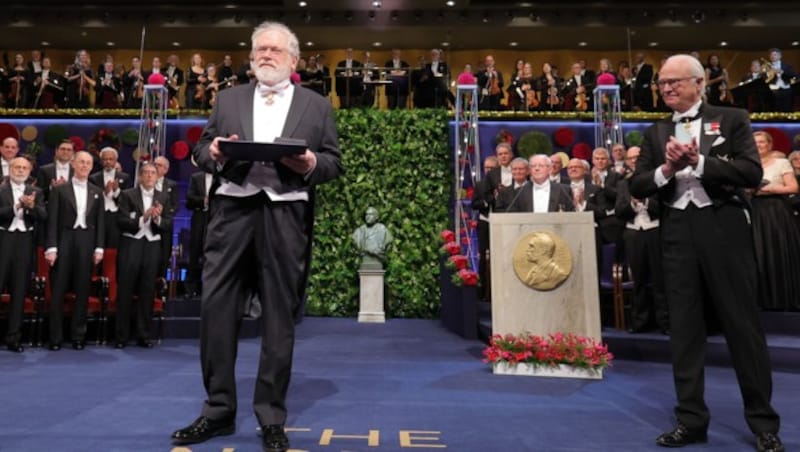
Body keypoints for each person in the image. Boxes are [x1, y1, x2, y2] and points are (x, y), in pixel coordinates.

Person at [172, 21, 343, 452]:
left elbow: (332, 164)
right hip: (230, 212)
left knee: (279, 318)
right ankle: (217, 411)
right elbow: (202, 149)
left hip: (285, 215)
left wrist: (308, 165)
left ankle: (271, 417)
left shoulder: (317, 105)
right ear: (251, 58)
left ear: (293, 59)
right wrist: (210, 152)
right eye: (259, 50)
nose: (266, 56)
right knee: (216, 310)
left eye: (274, 50)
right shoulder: (227, 98)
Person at [629, 54, 783, 452]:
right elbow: (639, 183)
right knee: (683, 332)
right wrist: (665, 169)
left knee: (742, 328)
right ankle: (691, 420)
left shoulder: (732, 119)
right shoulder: (656, 130)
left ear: (700, 83)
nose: (666, 89)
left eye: (674, 82)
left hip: (725, 231)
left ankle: (763, 424)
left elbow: (751, 173)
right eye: (662, 83)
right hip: (676, 235)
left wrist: (700, 162)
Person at [45, 151, 104, 351]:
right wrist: (51, 247)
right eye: (81, 162)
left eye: (88, 163)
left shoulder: (97, 191)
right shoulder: (60, 190)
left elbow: (100, 222)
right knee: (59, 289)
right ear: (73, 164)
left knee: (82, 289)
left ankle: (78, 336)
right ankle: (55, 338)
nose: (85, 165)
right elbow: (52, 220)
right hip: (64, 239)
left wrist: (99, 247)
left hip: (87, 240)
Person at [114, 162, 171, 349]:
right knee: (126, 291)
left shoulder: (163, 196)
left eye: (152, 173)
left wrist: (157, 219)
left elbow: (168, 225)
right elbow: (120, 221)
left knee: (147, 292)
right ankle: (121, 336)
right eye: (145, 173)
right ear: (140, 176)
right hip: (131, 244)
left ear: (157, 177)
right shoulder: (127, 194)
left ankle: (144, 335)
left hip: (152, 246)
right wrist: (142, 218)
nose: (148, 176)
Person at [614, 147, 668, 334]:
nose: (634, 161)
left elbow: (665, 208)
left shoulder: (658, 179)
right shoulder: (622, 184)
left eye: (637, 157)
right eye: (630, 159)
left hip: (655, 231)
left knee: (661, 280)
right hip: (633, 233)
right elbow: (619, 212)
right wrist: (632, 204)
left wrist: (645, 202)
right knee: (639, 281)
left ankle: (665, 322)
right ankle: (640, 322)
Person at [0, 157, 46, 352]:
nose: (20, 170)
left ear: (29, 171)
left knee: (19, 291)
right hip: (3, 239)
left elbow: (43, 216)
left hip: (25, 242)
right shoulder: (1, 189)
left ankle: (14, 337)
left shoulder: (36, 192)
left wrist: (31, 207)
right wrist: (17, 207)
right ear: (10, 169)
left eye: (24, 168)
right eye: (17, 167)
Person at [750, 131, 800, 311]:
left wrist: (771, 188)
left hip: (776, 212)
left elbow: (793, 187)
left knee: (776, 251)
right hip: (753, 211)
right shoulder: (748, 164)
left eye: (762, 142)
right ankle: (761, 299)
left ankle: (782, 299)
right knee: (757, 254)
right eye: (755, 142)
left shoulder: (782, 162)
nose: (759, 145)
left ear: (770, 144)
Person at [89, 147, 130, 249]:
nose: (108, 162)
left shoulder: (124, 177)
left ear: (115, 160)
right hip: (99, 215)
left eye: (111, 159)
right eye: (105, 159)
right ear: (101, 161)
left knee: (114, 245)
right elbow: (90, 200)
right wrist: (104, 193)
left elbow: (128, 200)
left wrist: (116, 192)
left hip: (116, 216)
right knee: (98, 244)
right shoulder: (93, 178)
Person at [503, 155, 573, 213]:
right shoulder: (519, 192)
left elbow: (572, 214)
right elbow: (512, 216)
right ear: (530, 170)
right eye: (533, 166)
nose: (537, 168)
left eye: (541, 166)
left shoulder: (564, 190)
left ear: (550, 169)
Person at [184, 170, 213, 297]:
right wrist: (204, 201)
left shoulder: (222, 176)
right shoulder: (196, 177)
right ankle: (190, 289)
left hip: (216, 218)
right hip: (199, 217)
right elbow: (189, 200)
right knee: (194, 253)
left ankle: (211, 289)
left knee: (213, 254)